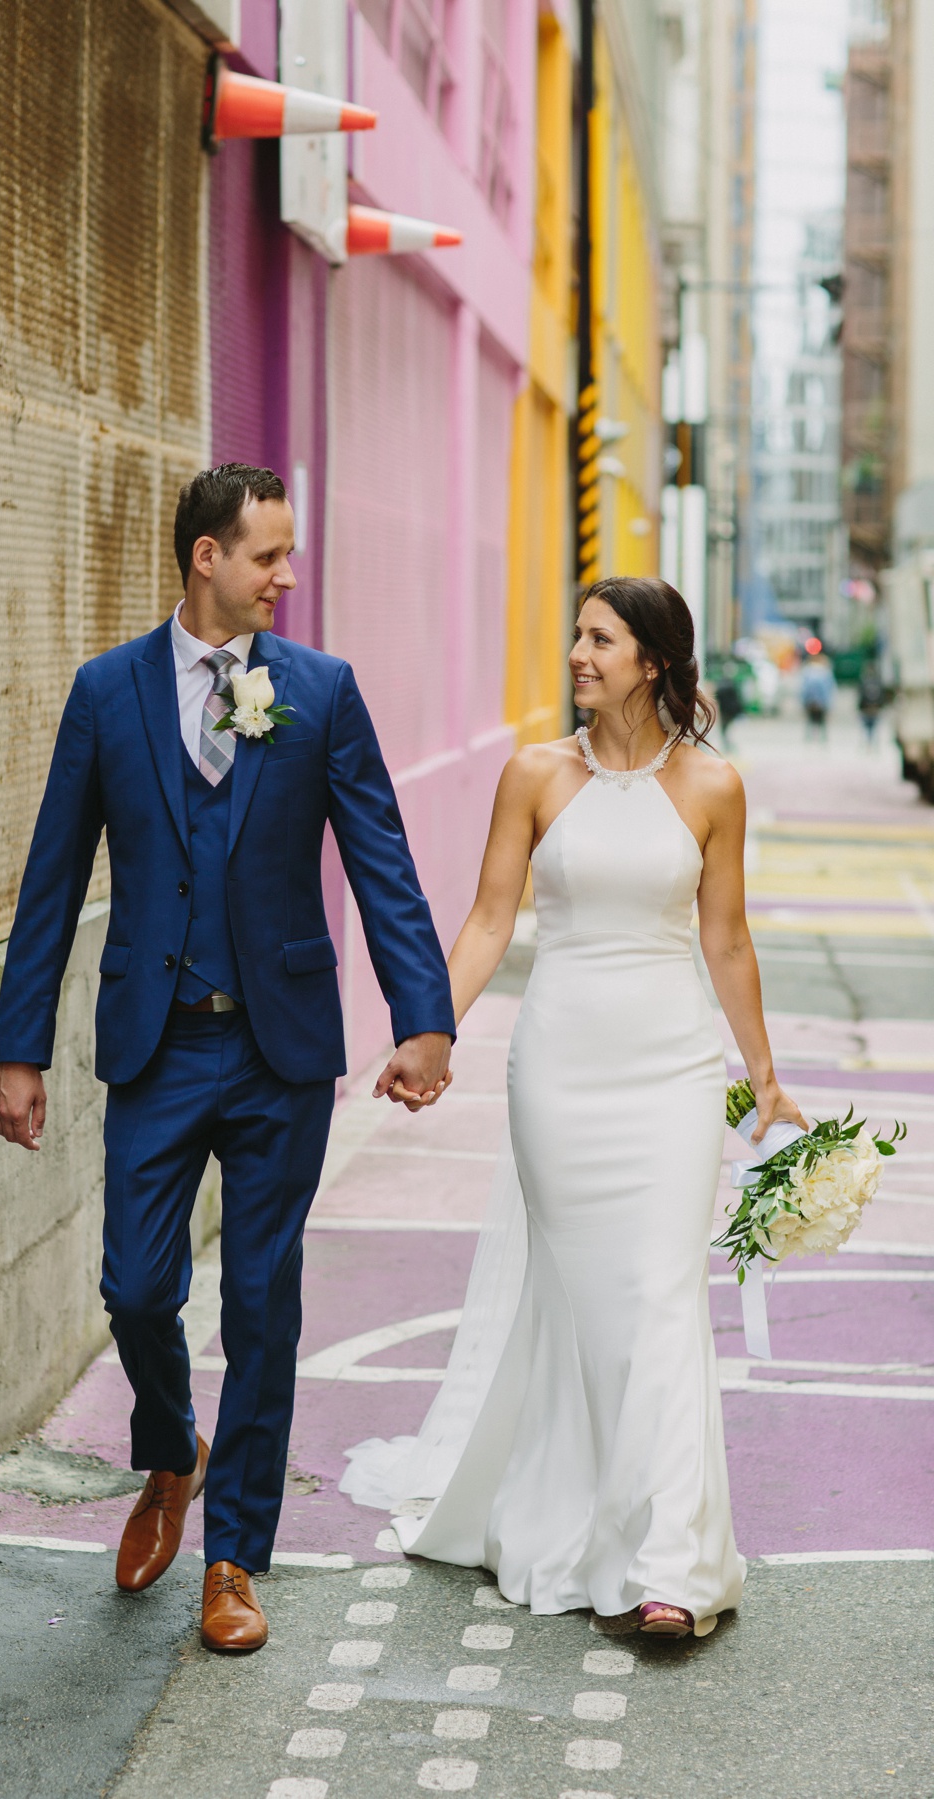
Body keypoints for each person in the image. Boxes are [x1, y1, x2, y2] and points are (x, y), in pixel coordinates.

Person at [0, 463, 454, 1653]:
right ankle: (168, 1452)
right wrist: (18, 1046)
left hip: (278, 1048)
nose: (286, 577)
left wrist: (424, 1013)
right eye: (267, 556)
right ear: (206, 556)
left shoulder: (320, 691)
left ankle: (235, 1554)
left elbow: (382, 859)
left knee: (263, 1300)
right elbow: (52, 880)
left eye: (288, 555)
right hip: (156, 1045)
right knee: (137, 1286)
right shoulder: (106, 693)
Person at [342, 574, 805, 1638]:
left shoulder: (713, 786)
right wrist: (430, 1032)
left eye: (601, 639)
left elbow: (726, 939)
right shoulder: (535, 774)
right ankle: (587, 1521)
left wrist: (764, 1075)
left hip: (676, 1068)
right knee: (590, 1299)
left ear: (653, 660)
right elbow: (490, 920)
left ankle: (677, 1566)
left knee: (658, 1294)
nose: (578, 653)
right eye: (579, 635)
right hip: (559, 1066)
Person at [800, 651, 835, 738]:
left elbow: (803, 688)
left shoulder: (807, 672)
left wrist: (802, 702)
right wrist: (829, 704)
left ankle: (809, 737)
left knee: (809, 721)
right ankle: (822, 738)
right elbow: (830, 689)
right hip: (822, 701)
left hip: (809, 701)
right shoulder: (826, 672)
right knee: (822, 722)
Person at [858, 660, 885, 744]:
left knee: (866, 726)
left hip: (866, 707)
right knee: (874, 726)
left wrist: (860, 707)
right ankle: (874, 742)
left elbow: (860, 695)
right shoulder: (878, 681)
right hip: (875, 707)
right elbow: (881, 694)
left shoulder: (863, 680)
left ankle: (868, 741)